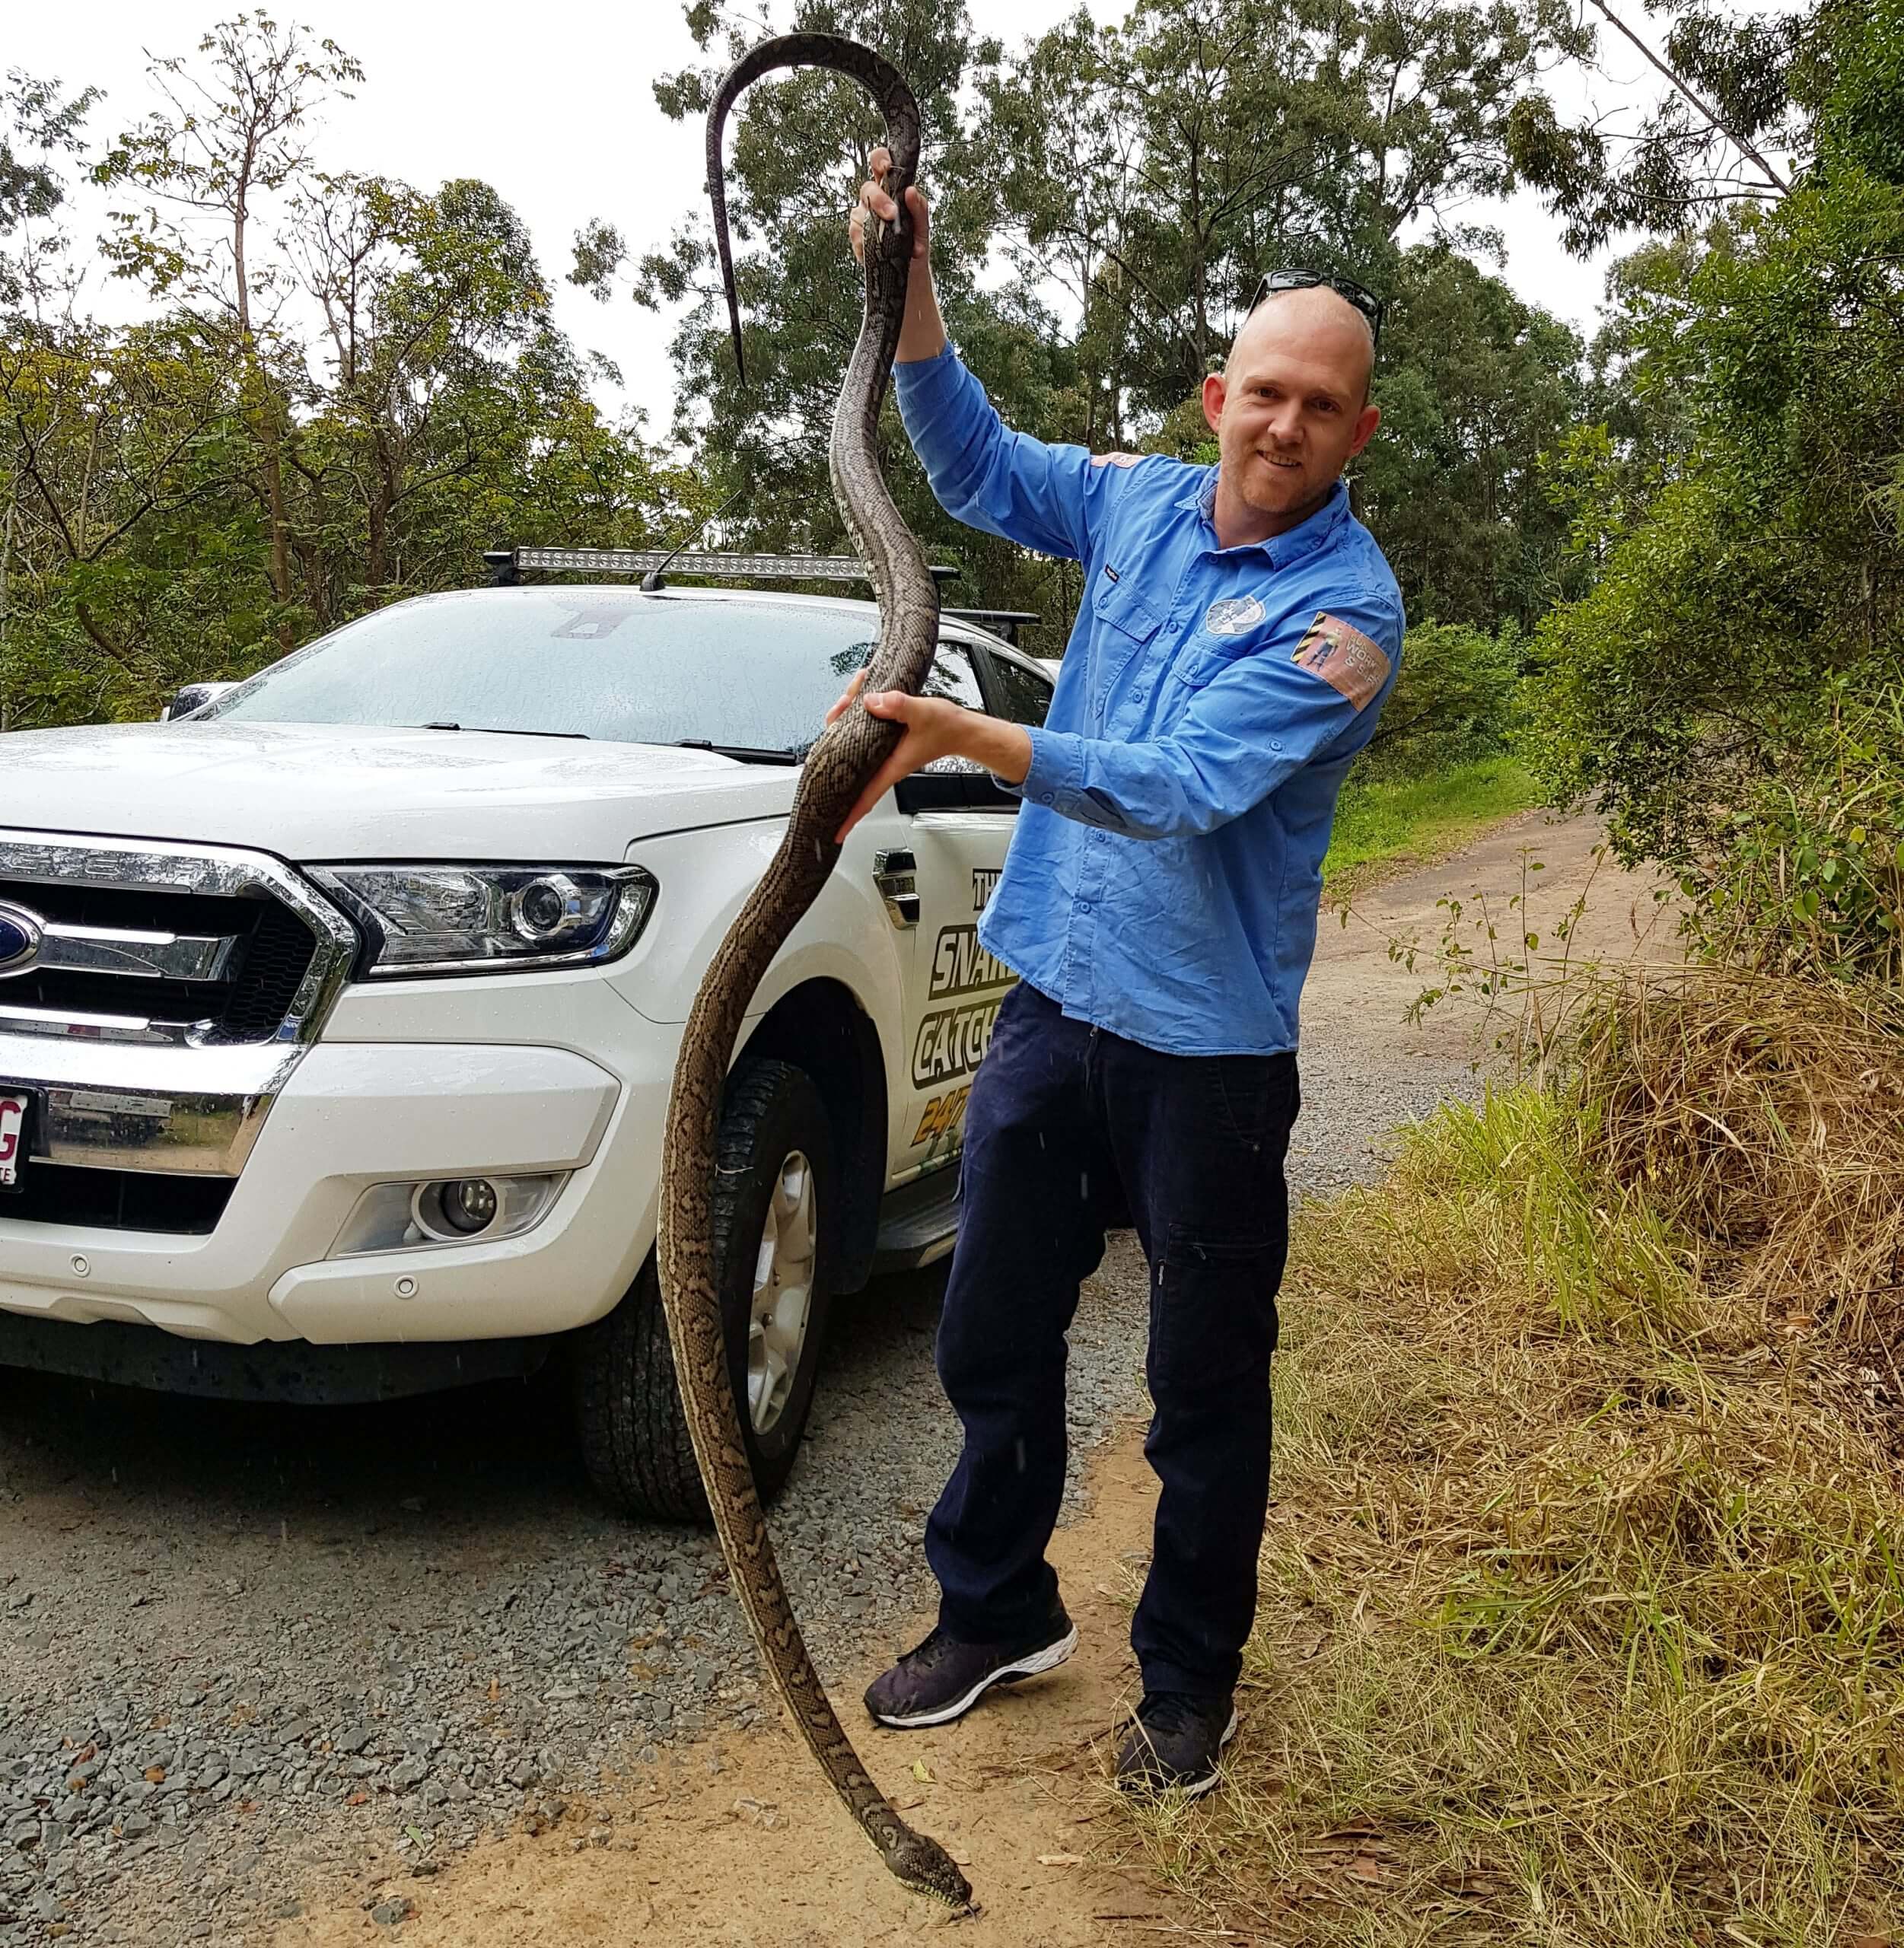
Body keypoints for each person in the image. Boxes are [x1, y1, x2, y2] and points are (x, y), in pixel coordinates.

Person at [827, 151, 1403, 1800]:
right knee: (988, 1327)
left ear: (1358, 434)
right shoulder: (1141, 497)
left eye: (1322, 407)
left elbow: (1180, 784)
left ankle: (1187, 1681)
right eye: (1265, 391)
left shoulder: (1349, 616)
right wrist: (909, 271)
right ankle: (996, 1604)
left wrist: (966, 733)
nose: (1285, 424)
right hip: (1050, 1006)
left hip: (1206, 1061)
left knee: (1201, 1383)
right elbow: (972, 459)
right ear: (1222, 394)